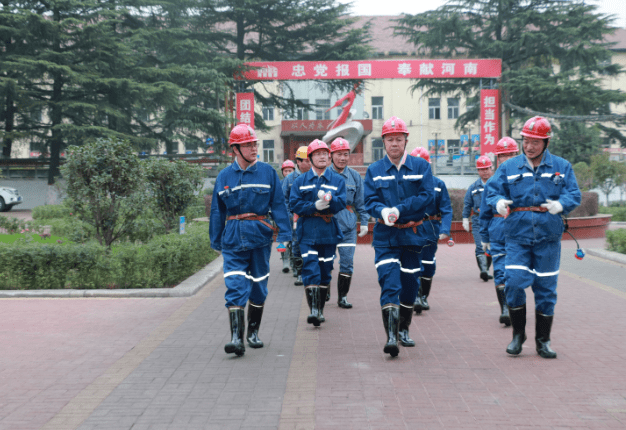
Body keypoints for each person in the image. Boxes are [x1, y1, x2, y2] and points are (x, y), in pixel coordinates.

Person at [487, 116, 581, 358]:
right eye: (526, 141)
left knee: (546, 289)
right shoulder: (508, 167)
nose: (529, 146)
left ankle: (543, 340)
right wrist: (497, 202)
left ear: (546, 142)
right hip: (517, 236)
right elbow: (492, 191)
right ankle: (518, 335)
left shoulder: (562, 166)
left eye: (535, 142)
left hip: (548, 238)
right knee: (514, 282)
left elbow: (574, 194)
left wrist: (562, 205)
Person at [210, 124, 292, 357]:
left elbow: (278, 205)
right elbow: (218, 211)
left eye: (255, 143)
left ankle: (252, 333)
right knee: (235, 286)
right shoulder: (224, 176)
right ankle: (236, 339)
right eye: (248, 145)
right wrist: (215, 241)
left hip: (259, 237)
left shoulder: (267, 173)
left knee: (258, 287)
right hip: (233, 238)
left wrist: (285, 236)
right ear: (236, 149)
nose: (254, 148)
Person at [364, 116, 434, 357]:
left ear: (406, 140)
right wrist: (382, 210)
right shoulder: (374, 170)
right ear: (383, 142)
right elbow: (369, 200)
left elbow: (427, 196)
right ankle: (391, 336)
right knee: (389, 283)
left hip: (413, 236)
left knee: (409, 287)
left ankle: (404, 329)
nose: (394, 143)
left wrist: (400, 209)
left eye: (398, 139)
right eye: (389, 139)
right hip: (386, 236)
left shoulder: (421, 167)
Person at [290, 140, 346, 326]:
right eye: (318, 153)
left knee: (325, 271)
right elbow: (294, 204)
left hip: (327, 230)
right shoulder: (301, 181)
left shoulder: (337, 180)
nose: (323, 156)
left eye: (325, 153)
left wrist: (331, 200)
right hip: (307, 230)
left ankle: (320, 309)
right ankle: (313, 310)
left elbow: (342, 203)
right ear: (310, 158)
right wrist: (312, 205)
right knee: (310, 267)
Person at [479, 137, 519, 327]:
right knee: (501, 271)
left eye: (510, 154)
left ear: (516, 155)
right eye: (502, 156)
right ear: (497, 158)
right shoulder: (492, 182)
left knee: (517, 273)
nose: (506, 159)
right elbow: (484, 213)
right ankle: (505, 309)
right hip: (498, 231)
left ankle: (516, 305)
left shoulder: (524, 178)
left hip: (521, 231)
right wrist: (484, 237)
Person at [409, 147, 452, 315]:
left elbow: (447, 209)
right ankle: (416, 297)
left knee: (428, 264)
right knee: (413, 263)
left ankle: (424, 296)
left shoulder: (438, 185)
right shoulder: (406, 184)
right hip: (411, 229)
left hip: (430, 229)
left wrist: (445, 229)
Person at [328, 137, 370, 308]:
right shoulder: (324, 174)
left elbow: (361, 201)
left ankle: (342, 297)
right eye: (339, 154)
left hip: (348, 226)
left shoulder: (354, 177)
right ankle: (325, 291)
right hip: (327, 224)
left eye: (345, 154)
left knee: (347, 262)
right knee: (326, 262)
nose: (342, 158)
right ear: (331, 155)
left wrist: (365, 222)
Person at [282, 146, 311, 286]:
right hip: (296, 219)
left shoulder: (315, 175)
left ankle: (310, 272)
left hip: (313, 217)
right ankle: (299, 273)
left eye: (310, 159)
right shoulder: (289, 179)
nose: (309, 163)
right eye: (306, 160)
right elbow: (284, 200)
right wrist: (289, 215)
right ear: (298, 162)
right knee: (297, 245)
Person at [463, 155, 494, 281]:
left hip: (493, 220)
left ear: (491, 168)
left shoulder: (496, 184)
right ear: (478, 171)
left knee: (491, 246)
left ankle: (486, 269)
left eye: (487, 168)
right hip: (478, 220)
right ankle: (484, 270)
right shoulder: (473, 187)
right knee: (480, 245)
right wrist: (465, 218)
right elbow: (467, 204)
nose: (485, 171)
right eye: (482, 169)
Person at [279, 160, 296, 273]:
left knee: (295, 240)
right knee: (282, 239)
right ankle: (284, 260)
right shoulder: (279, 184)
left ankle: (294, 262)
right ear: (282, 172)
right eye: (286, 171)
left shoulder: (297, 181)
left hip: (294, 216)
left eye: (290, 170)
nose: (288, 173)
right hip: (283, 216)